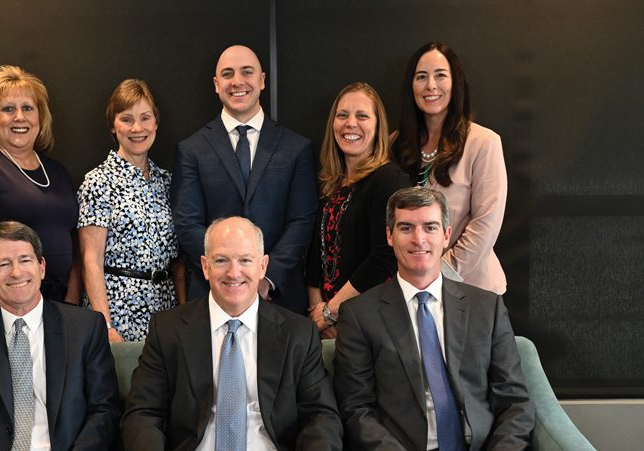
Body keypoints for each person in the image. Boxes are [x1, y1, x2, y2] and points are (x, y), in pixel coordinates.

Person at [335, 187, 533, 451]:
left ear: (446, 235)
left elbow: (514, 402)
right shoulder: (359, 315)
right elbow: (356, 409)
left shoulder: (487, 307)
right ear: (389, 236)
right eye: (406, 228)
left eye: (430, 227)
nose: (419, 239)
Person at [122, 217, 342, 450]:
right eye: (221, 260)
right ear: (205, 266)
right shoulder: (167, 330)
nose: (233, 273)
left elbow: (321, 417)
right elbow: (143, 414)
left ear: (263, 266)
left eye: (245, 260)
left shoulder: (298, 334)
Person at [0, 221, 120, 450]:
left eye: (25, 260)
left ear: (42, 267)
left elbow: (104, 409)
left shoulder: (85, 327)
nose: (16, 272)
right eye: (4, 264)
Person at [171, 44, 318, 315]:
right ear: (216, 84)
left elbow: (302, 221)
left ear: (262, 80)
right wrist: (228, 275)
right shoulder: (191, 150)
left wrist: (266, 277)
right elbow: (188, 224)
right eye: (227, 74)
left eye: (247, 72)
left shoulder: (296, 148)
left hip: (280, 297)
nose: (237, 81)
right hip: (212, 297)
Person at [0, 65, 80, 310]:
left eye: (28, 108)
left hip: (55, 310)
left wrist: (70, 306)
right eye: (8, 109)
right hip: (0, 311)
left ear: (40, 117)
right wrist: (16, 310)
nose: (19, 117)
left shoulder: (58, 172)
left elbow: (75, 246)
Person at [391, 42, 507, 294]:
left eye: (441, 75)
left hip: (471, 290)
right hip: (408, 291)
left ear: (456, 83)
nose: (431, 85)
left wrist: (438, 276)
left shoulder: (483, 142)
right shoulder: (396, 144)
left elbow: (485, 224)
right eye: (421, 77)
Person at [77, 79, 185, 343]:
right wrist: (105, 324)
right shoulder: (98, 182)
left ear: (155, 123)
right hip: (119, 311)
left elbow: (179, 259)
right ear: (113, 126)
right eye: (127, 119)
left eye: (145, 118)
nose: (137, 128)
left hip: (164, 309)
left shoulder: (168, 182)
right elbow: (91, 259)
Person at [306, 82, 409, 339]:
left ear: (377, 126)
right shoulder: (330, 184)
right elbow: (315, 253)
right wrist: (319, 315)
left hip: (371, 325)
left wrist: (331, 311)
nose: (350, 123)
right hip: (326, 324)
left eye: (362, 116)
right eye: (342, 115)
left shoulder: (388, 180)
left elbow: (385, 257)